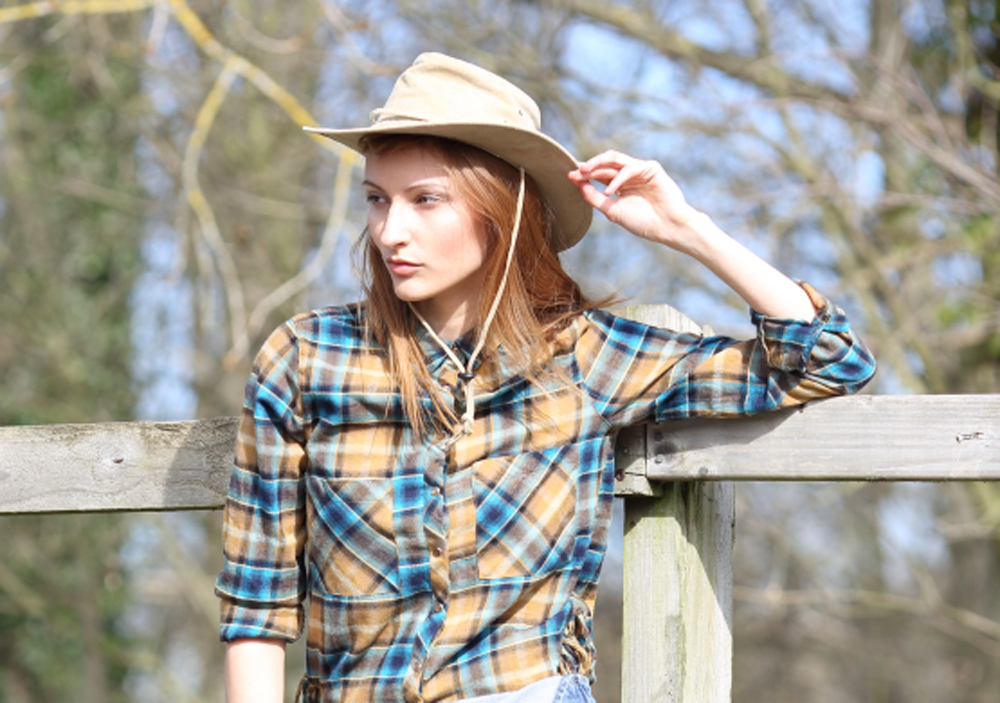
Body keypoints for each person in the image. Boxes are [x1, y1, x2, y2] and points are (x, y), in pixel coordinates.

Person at [215, 53, 876, 703]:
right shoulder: (306, 358)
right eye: (377, 199)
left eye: (425, 200)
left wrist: (689, 230)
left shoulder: (581, 356)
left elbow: (828, 359)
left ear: (498, 211)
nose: (392, 230)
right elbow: (257, 602)